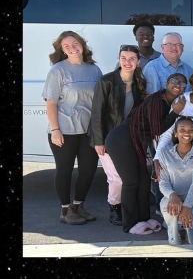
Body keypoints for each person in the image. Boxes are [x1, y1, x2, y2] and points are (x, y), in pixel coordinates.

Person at [106, 73, 184, 233]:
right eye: (175, 81)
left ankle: (144, 220)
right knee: (131, 182)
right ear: (167, 83)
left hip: (134, 141)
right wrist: (175, 113)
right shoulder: (157, 101)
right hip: (121, 139)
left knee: (143, 182)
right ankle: (130, 225)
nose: (178, 85)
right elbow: (157, 129)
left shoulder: (167, 102)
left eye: (183, 84)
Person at [44, 31, 103, 225]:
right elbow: (51, 102)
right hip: (64, 130)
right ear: (62, 50)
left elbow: (100, 100)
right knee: (64, 170)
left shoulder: (94, 70)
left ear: (82, 44)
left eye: (75, 43)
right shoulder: (57, 70)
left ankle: (78, 206)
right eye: (66, 46)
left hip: (88, 131)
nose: (72, 48)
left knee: (88, 170)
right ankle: (65, 211)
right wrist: (55, 130)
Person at [90, 44, 147, 225]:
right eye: (124, 58)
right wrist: (99, 141)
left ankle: (128, 208)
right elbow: (97, 113)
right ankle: (115, 207)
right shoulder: (106, 81)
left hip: (129, 139)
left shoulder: (139, 83)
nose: (127, 62)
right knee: (116, 178)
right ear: (119, 59)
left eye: (132, 59)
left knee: (129, 176)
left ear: (138, 62)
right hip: (108, 138)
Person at [157, 117, 193, 244]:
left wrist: (186, 206)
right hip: (171, 197)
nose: (187, 133)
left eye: (191, 130)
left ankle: (189, 228)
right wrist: (172, 195)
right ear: (175, 133)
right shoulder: (164, 153)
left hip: (192, 197)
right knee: (170, 210)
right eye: (182, 130)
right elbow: (163, 182)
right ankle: (173, 231)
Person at [154, 72, 193, 159]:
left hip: (188, 147)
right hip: (169, 146)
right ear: (192, 86)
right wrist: (157, 156)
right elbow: (168, 132)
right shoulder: (181, 101)